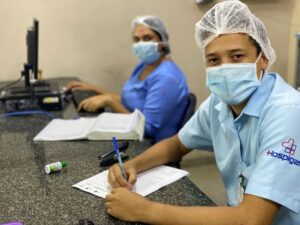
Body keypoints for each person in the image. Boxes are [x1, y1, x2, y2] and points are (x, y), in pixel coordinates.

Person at [105, 1, 300, 225]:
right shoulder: (219, 103)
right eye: (214, 60)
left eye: (237, 56)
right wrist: (133, 165)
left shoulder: (287, 112)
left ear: (263, 57)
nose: (225, 69)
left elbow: (252, 219)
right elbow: (177, 144)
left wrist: (145, 210)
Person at [65, 16, 189, 143]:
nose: (141, 44)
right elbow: (132, 100)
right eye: (136, 39)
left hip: (151, 146)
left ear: (162, 42)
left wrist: (110, 102)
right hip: (134, 135)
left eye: (147, 38)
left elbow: (147, 129)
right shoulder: (144, 66)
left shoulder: (167, 78)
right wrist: (94, 89)